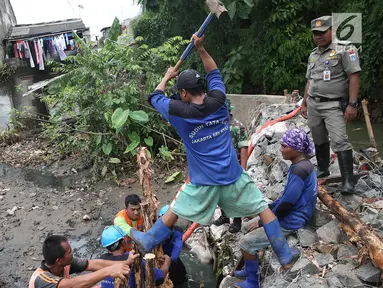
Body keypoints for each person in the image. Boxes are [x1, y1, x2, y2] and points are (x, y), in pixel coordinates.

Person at [129, 34, 299, 282]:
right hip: (232, 175)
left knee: (175, 210)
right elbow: (214, 72)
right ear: (203, 89)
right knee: (264, 209)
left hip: (203, 182)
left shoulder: (179, 113)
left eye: (181, 92)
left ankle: (148, 239)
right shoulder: (220, 101)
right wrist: (201, 49)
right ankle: (284, 255)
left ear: (184, 93)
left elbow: (154, 97)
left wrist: (167, 75)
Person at [234, 129, 318, 287]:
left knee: (245, 242)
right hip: (292, 213)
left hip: (293, 219)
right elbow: (286, 198)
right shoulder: (302, 165)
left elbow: (287, 204)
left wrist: (262, 222)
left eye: (285, 146)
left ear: (297, 149)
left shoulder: (299, 170)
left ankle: (253, 281)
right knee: (246, 226)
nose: (281, 149)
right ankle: (251, 265)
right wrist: (268, 208)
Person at [301, 15, 361, 194]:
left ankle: (348, 180)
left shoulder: (345, 49)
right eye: (315, 33)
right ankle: (323, 168)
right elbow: (310, 80)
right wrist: (304, 103)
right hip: (313, 103)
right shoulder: (314, 54)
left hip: (333, 104)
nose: (318, 36)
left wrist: (353, 104)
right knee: (318, 137)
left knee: (339, 140)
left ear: (331, 31)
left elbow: (354, 77)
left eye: (322, 32)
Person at [29, 235, 138, 288]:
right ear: (59, 260)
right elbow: (72, 285)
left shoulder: (65, 264)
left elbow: (94, 264)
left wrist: (125, 262)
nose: (73, 253)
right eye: (69, 252)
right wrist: (108, 271)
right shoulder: (42, 279)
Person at [213, 99, 249, 233]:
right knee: (220, 192)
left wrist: (243, 169)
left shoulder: (237, 127)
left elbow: (243, 148)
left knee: (235, 193)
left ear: (228, 111)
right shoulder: (215, 126)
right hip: (219, 165)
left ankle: (237, 220)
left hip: (234, 166)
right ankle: (225, 216)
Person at [99, 226, 171, 288]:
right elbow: (159, 278)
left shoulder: (100, 262)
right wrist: (167, 260)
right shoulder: (131, 258)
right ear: (124, 241)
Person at [158, 205, 188, 285]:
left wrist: (168, 260)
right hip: (158, 260)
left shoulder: (177, 232)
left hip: (172, 262)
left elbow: (176, 251)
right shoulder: (153, 230)